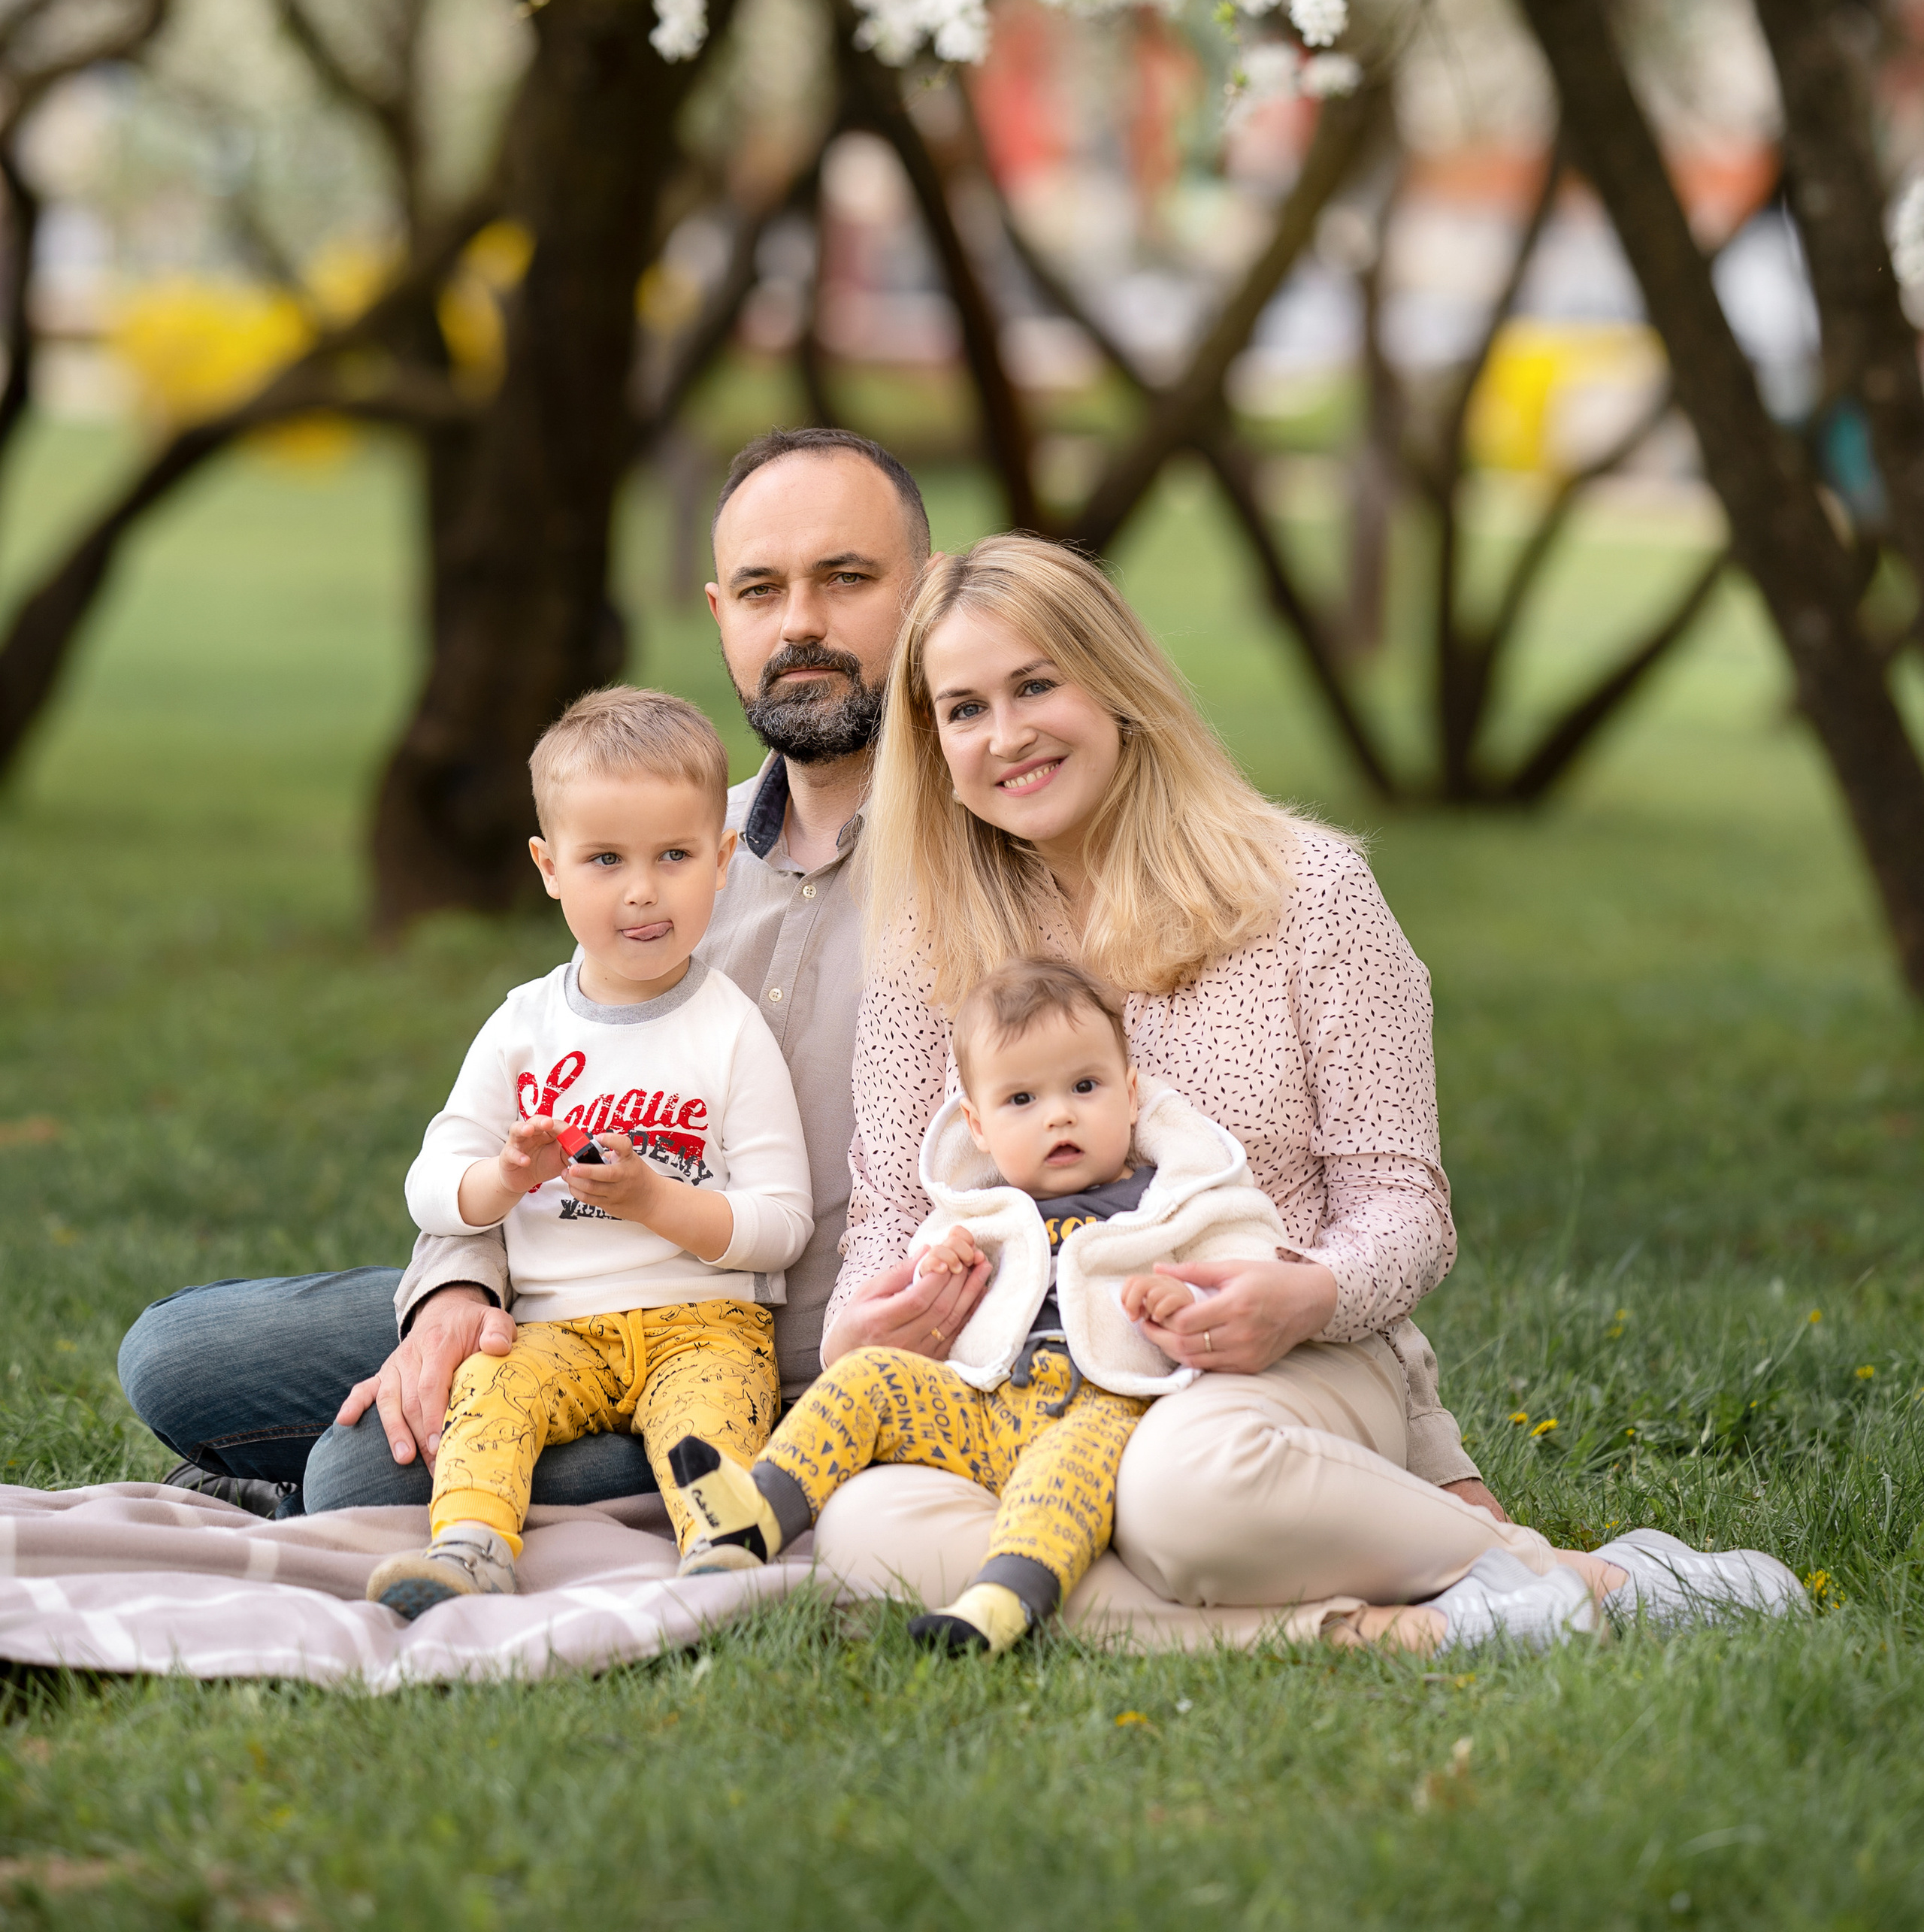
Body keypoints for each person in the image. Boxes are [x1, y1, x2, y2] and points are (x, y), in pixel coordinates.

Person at [115, 424, 1490, 1539]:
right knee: (176, 1358)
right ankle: (307, 1466)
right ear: (719, 615)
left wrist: (1423, 1437)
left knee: (363, 1485)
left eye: (848, 579)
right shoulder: (674, 851)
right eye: (765, 592)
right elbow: (531, 1081)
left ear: (928, 587)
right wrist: (457, 1293)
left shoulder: (999, 866)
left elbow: (1226, 1155)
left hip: (787, 1356)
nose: (806, 625)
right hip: (581, 1283)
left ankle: (301, 1491)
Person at [805, 531, 1802, 1643]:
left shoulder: (1307, 894)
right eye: (965, 709)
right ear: (932, 743)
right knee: (866, 1529)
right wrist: (868, 1327)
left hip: (1281, 1375)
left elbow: (1405, 1209)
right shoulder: (925, 945)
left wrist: (1306, 1295)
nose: (1009, 735)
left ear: (1118, 685)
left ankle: (1570, 1576)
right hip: (1023, 1389)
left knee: (1180, 1492)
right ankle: (1410, 1625)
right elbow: (892, 1207)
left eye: (1037, 684)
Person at [671, 955, 1592, 1655]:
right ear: (980, 1128)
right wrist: (924, 1284)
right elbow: (907, 1269)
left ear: (1131, 1093)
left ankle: (1008, 1596)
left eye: (1084, 1088)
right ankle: (755, 1514)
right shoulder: (979, 1209)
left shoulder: (1170, 1197)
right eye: (1023, 1100)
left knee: (1064, 1480)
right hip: (987, 1411)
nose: (1060, 1116)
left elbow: (1240, 1251)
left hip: (1115, 1411)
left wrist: (1187, 1293)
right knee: (865, 1465)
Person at [362, 686, 812, 1618]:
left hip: (706, 1322)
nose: (642, 890)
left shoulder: (729, 1032)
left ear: (722, 861)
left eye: (674, 857)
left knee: (712, 1417)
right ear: (548, 867)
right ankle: (473, 1546)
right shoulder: (522, 1027)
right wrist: (506, 1179)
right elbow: (431, 1186)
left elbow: (781, 1224)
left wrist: (656, 1203)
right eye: (604, 859)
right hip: (550, 1327)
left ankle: (723, 1550)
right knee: (490, 1393)